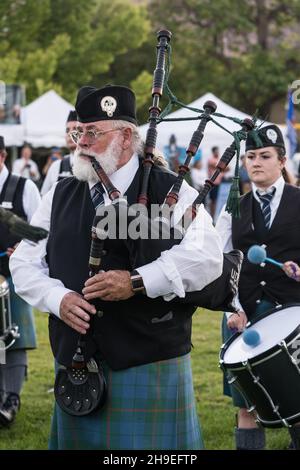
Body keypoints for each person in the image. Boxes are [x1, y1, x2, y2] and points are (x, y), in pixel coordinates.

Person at [10, 84, 223, 450]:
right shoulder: (59, 193)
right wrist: (56, 297)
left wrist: (137, 281)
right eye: (79, 131)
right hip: (76, 365)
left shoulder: (169, 190)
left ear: (126, 137)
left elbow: (206, 255)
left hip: (149, 361)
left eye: (93, 133)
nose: (81, 142)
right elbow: (24, 260)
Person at [216, 124, 300, 450]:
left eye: (265, 156)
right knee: (247, 406)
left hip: (292, 315)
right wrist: (231, 308)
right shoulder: (233, 206)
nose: (256, 162)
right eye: (250, 156)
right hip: (245, 314)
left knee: (297, 401)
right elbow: (221, 264)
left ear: (281, 161)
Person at [0, 135, 41, 427]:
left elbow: (41, 231)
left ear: (2, 155)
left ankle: (11, 399)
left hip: (14, 275)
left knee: (14, 338)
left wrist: (25, 249)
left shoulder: (23, 187)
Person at [41, 111, 77, 196]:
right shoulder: (56, 166)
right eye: (67, 130)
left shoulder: (94, 165)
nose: (70, 133)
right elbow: (44, 198)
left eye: (75, 129)